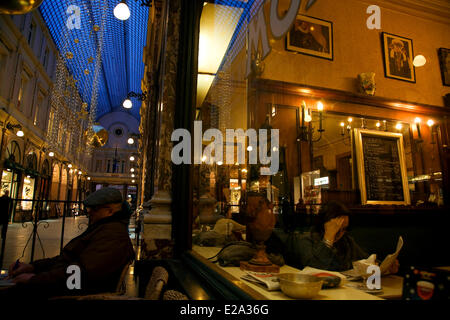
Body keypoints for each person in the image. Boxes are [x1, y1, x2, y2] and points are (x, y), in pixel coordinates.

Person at [4, 187, 135, 300]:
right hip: (64, 285)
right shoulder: (104, 228)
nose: (89, 213)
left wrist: (34, 280)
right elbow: (67, 260)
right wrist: (33, 267)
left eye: (94, 209)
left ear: (109, 211)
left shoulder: (112, 235)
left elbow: (82, 275)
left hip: (74, 294)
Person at [296, 201, 399, 273]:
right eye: (337, 228)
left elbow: (365, 260)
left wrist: (384, 266)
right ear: (325, 223)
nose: (340, 233)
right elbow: (315, 269)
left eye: (344, 229)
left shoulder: (346, 241)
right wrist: (328, 239)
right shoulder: (306, 239)